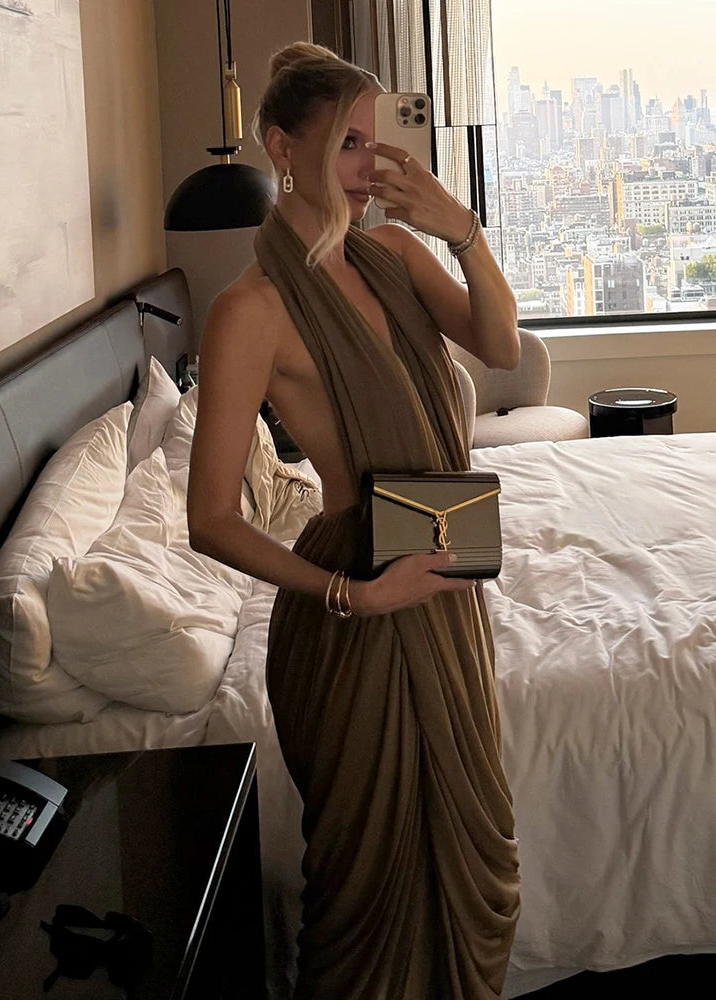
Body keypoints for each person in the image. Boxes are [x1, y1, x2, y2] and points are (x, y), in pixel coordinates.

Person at [187, 41, 521, 1000]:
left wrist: (464, 232)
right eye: (347, 146)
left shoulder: (395, 253)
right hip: (357, 597)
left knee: (473, 839)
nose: (371, 169)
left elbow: (498, 345)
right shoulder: (250, 310)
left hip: (443, 562)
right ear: (279, 147)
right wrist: (356, 594)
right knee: (371, 880)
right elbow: (210, 516)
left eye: (378, 145)